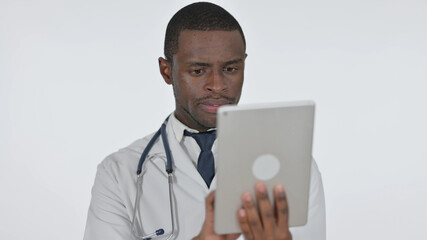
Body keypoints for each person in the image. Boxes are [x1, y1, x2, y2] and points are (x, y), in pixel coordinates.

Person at [83, 2, 326, 240]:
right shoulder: (118, 173)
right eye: (198, 71)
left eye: (230, 69)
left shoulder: (294, 167)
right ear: (167, 71)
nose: (217, 86)